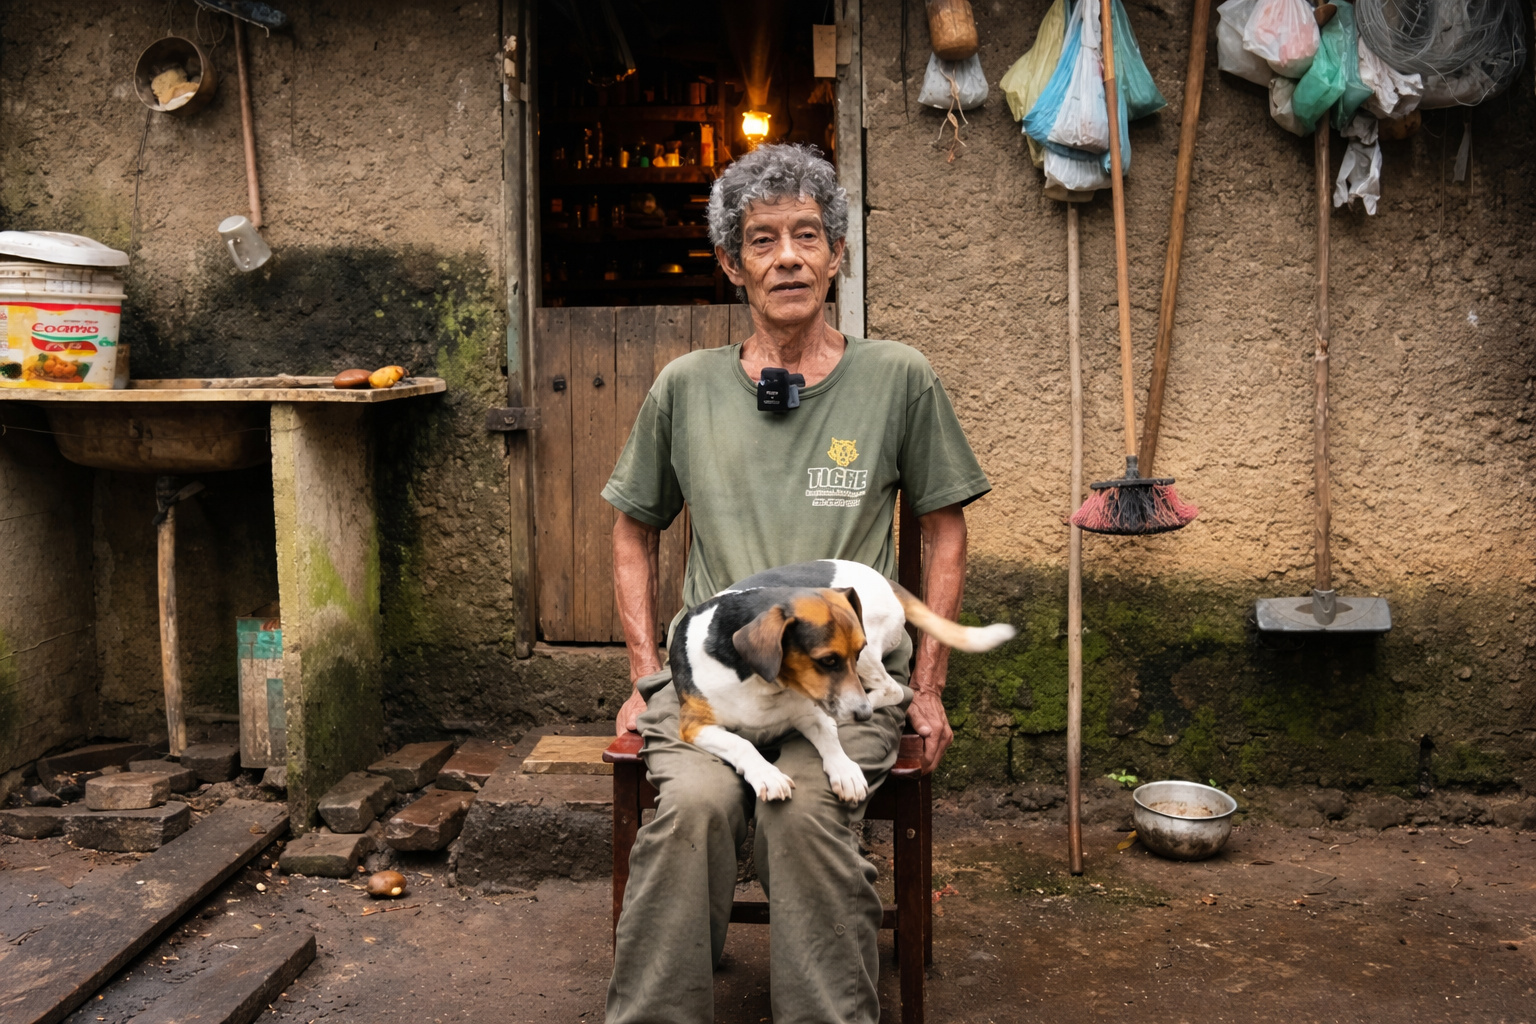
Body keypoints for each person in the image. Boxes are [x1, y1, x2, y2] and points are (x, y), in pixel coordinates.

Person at [602, 143, 991, 1024]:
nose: (788, 257)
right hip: (715, 686)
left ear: (838, 254)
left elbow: (944, 529)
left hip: (842, 685)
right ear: (731, 263)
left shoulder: (897, 377)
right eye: (763, 239)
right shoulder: (686, 387)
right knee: (694, 808)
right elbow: (632, 529)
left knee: (807, 815)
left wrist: (928, 686)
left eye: (808, 236)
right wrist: (644, 672)